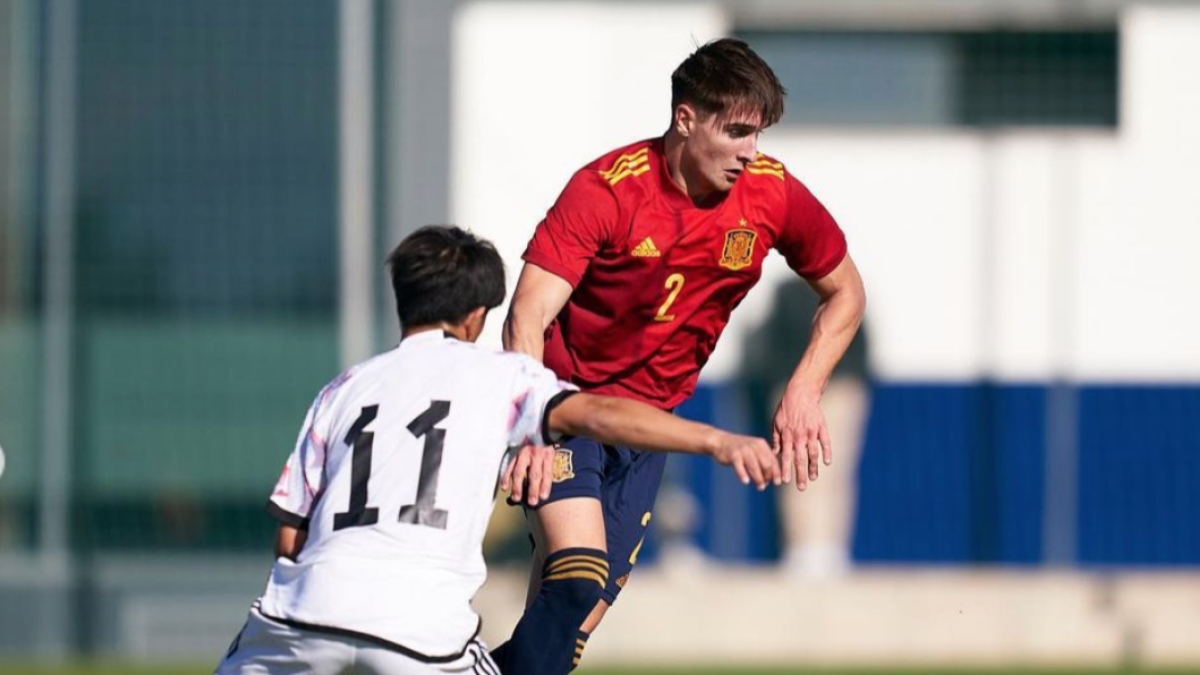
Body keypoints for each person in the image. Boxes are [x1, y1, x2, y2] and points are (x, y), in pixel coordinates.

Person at [213, 225, 779, 675]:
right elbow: (601, 412)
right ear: (476, 316)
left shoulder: (341, 389)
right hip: (418, 632)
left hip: (300, 616)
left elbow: (290, 537)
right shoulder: (498, 375)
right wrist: (715, 440)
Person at [495, 38, 867, 675]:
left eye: (760, 135)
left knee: (564, 637)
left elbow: (846, 294)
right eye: (738, 132)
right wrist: (531, 424)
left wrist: (804, 389)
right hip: (570, 409)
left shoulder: (772, 196)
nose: (752, 153)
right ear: (686, 119)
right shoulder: (605, 191)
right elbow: (527, 313)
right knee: (578, 577)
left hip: (650, 425)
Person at [745, 278, 872, 578]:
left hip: (831, 390)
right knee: (805, 471)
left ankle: (823, 549)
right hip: (811, 390)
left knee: (821, 471)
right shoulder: (793, 291)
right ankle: (809, 548)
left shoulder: (843, 289)